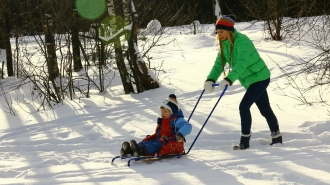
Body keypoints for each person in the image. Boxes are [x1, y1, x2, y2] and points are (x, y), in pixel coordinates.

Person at [203, 15, 282, 150]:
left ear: (229, 31)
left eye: (221, 31)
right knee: (264, 109)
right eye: (217, 32)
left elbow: (242, 64)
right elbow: (218, 65)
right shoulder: (225, 44)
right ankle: (277, 137)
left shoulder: (242, 41)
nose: (219, 34)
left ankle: (244, 141)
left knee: (243, 106)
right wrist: (210, 80)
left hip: (260, 77)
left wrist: (229, 79)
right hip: (249, 81)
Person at [120, 94, 192, 157]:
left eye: (165, 111)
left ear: (172, 112)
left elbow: (188, 126)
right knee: (148, 142)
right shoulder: (164, 121)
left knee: (155, 145)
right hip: (161, 140)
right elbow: (159, 134)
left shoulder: (176, 120)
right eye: (161, 112)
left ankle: (140, 150)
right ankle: (131, 150)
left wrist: (180, 134)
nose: (162, 113)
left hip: (172, 143)